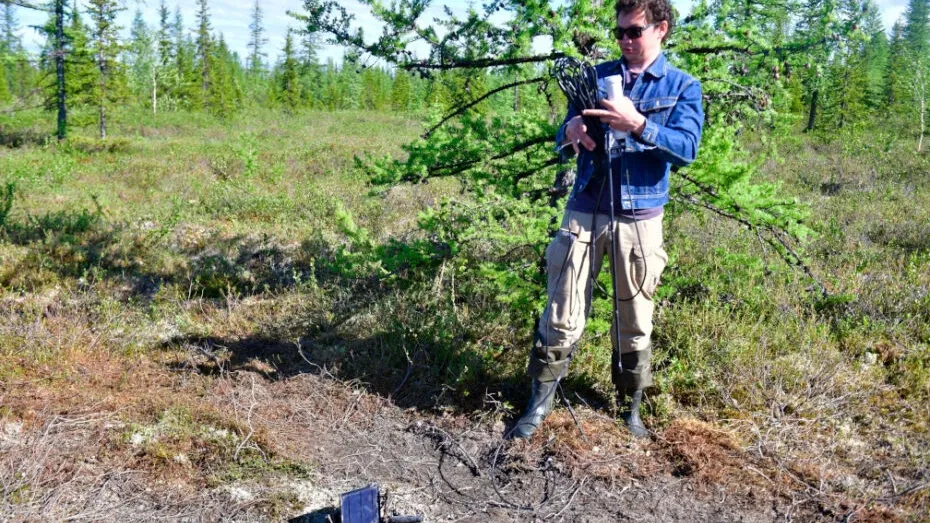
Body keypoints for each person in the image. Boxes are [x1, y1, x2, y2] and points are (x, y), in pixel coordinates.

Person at [511, 0, 704, 439]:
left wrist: (639, 125)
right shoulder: (596, 77)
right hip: (584, 207)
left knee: (635, 313)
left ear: (661, 30)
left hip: (639, 216)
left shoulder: (682, 86)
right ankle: (538, 405)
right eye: (619, 33)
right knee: (561, 308)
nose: (625, 41)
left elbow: (687, 149)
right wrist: (571, 132)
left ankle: (628, 407)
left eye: (634, 32)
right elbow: (564, 134)